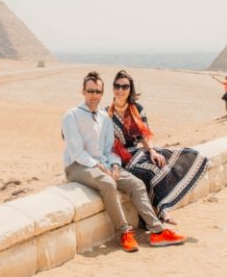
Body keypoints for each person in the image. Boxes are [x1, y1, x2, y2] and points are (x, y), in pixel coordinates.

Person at [61, 71, 185, 252]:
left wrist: (115, 165)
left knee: (136, 184)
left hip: (102, 164)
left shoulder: (105, 118)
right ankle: (125, 232)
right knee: (108, 183)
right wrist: (100, 166)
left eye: (97, 92)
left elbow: (110, 149)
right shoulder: (71, 116)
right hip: (77, 165)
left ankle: (157, 232)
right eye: (90, 91)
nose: (94, 95)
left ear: (102, 93)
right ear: (83, 92)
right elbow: (76, 151)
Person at [108, 70, 209, 225]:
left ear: (130, 90)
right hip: (121, 158)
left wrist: (152, 151)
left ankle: (160, 208)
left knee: (173, 157)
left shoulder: (137, 109)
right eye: (117, 86)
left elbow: (144, 135)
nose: (120, 90)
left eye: (125, 87)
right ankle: (161, 211)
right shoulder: (105, 114)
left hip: (139, 151)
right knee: (151, 170)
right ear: (113, 88)